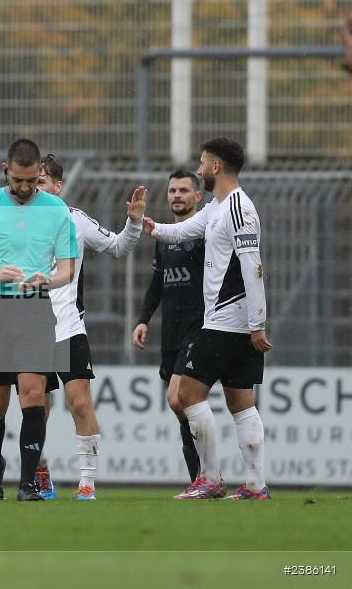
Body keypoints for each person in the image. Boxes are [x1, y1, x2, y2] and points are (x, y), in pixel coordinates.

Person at [143, 137, 272, 500]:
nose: (199, 171)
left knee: (187, 393)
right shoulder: (217, 207)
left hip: (228, 319)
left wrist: (257, 323)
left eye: (201, 164)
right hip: (231, 320)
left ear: (216, 166)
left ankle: (211, 480)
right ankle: (255, 486)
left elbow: (253, 265)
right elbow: (184, 230)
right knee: (240, 401)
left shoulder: (238, 209)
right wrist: (152, 226)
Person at [0, 138, 77, 501]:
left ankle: (28, 484)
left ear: (40, 171)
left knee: (33, 395)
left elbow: (66, 270)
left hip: (34, 309)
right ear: (6, 171)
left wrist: (49, 279)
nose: (24, 188)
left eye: (31, 180)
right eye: (18, 181)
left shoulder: (57, 210)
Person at [36, 155, 146, 501]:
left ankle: (87, 483)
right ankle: (40, 476)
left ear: (57, 186)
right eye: (30, 181)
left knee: (80, 404)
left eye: (41, 182)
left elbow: (117, 247)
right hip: (29, 330)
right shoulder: (15, 223)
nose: (34, 188)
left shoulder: (75, 221)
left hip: (69, 327)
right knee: (34, 407)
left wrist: (133, 223)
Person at [131, 169, 205, 484]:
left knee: (179, 399)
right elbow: (157, 283)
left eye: (184, 190)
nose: (177, 195)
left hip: (199, 329)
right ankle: (201, 479)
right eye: (173, 190)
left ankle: (207, 475)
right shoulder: (163, 237)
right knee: (180, 408)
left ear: (197, 196)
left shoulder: (205, 235)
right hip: (171, 334)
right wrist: (143, 320)